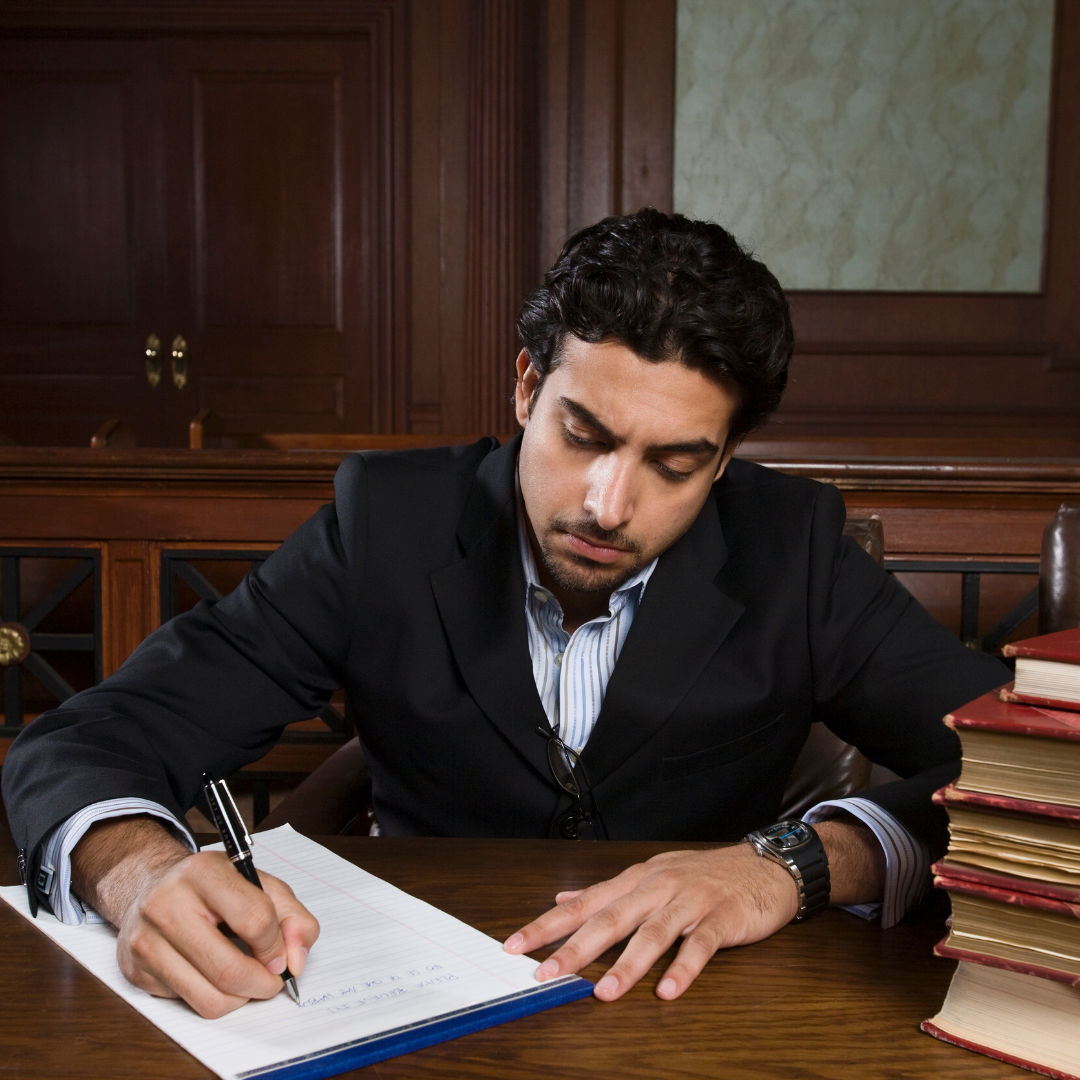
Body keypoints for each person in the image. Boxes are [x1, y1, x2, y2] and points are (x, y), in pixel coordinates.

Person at [3, 209, 1007, 1019]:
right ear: (528, 387)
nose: (611, 506)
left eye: (674, 464)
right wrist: (137, 874)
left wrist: (796, 864)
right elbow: (89, 739)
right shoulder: (384, 526)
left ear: (725, 459)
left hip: (700, 1012)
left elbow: (1035, 782)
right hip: (398, 1010)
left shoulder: (793, 548)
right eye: (584, 433)